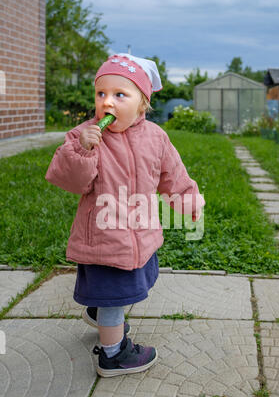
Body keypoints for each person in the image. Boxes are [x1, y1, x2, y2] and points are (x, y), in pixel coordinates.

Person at [45, 53, 205, 378]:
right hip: (104, 238)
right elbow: (69, 180)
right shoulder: (85, 136)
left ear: (142, 104)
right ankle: (113, 355)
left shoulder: (156, 137)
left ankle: (100, 310)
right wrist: (82, 151)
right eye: (101, 94)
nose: (108, 103)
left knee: (130, 284)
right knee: (116, 294)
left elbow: (172, 174)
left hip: (140, 234)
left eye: (120, 95)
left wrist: (188, 200)